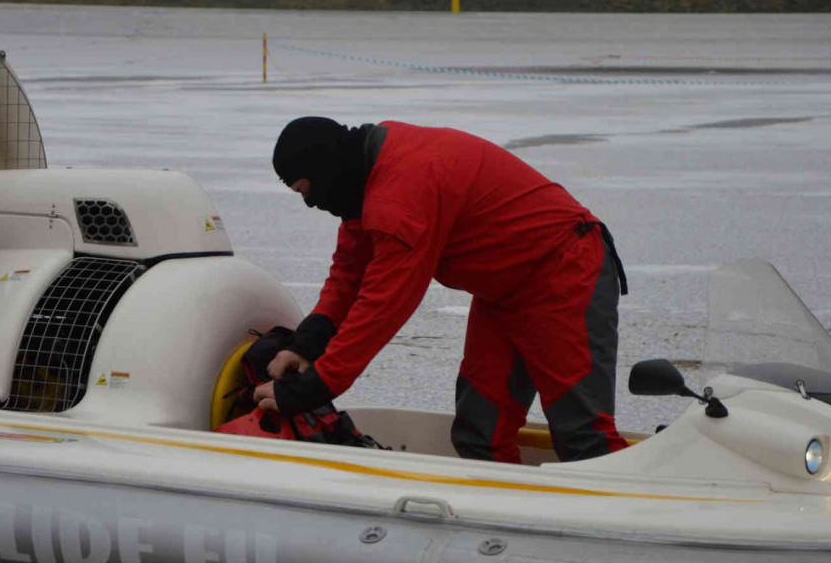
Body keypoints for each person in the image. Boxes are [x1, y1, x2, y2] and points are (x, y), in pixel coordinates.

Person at [254, 117, 629, 463]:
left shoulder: (400, 193)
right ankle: (493, 523)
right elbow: (349, 273)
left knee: (582, 433)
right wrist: (304, 344)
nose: (311, 203)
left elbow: (381, 308)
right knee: (480, 432)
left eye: (307, 190)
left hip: (565, 271)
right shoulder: (362, 177)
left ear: (325, 170)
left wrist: (312, 388)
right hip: (502, 293)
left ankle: (620, 524)